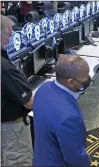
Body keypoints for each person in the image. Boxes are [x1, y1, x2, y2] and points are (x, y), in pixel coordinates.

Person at [32, 55, 91, 166]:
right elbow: (75, 157)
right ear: (71, 82)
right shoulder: (69, 118)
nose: (88, 79)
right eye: (85, 78)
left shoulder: (44, 88)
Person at [1, 15, 33, 166]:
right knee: (19, 162)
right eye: (10, 33)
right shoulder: (4, 67)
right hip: (12, 130)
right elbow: (28, 103)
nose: (12, 35)